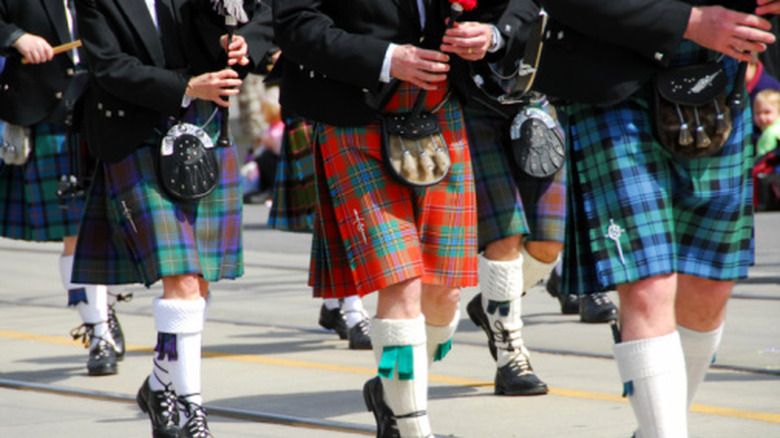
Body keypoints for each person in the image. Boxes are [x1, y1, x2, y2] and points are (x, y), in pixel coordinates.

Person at [534, 1, 778, 436]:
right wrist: (691, 22)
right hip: (614, 77)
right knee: (647, 286)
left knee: (710, 288)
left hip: (716, 77)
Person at [273, 0, 507, 435]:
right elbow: (294, 22)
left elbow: (517, 7)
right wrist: (386, 59)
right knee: (399, 283)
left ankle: (393, 389)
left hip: (440, 110)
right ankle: (412, 425)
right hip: (354, 112)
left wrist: (490, 34)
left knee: (443, 297)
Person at [70, 0, 273, 436]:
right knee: (181, 279)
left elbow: (260, 16)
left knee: (197, 284)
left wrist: (238, 41)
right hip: (136, 135)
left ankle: (161, 384)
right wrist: (186, 87)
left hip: (203, 131)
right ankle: (191, 411)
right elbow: (108, 66)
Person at [0, 0, 125, 377]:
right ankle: (99, 333)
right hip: (49, 112)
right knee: (76, 231)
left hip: (109, 110)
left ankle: (101, 308)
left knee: (116, 228)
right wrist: (16, 37)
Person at [754, 89, 780, 156]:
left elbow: (763, 159)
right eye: (757, 113)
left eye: (767, 112)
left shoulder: (770, 134)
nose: (761, 117)